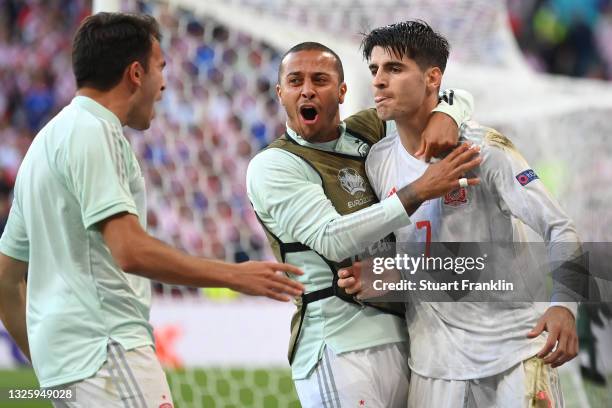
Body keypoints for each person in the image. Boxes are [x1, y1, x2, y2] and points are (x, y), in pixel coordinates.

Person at [0, 12, 304, 408]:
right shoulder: (96, 132)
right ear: (136, 73)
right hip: (108, 350)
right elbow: (130, 250)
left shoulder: (43, 145)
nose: (164, 85)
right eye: (161, 68)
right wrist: (233, 275)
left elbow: (5, 279)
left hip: (71, 367)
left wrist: (48, 362)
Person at [338, 21, 580, 407]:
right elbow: (408, 261)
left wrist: (565, 306)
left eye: (394, 69)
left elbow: (560, 227)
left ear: (433, 78)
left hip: (513, 355)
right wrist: (383, 275)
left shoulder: (483, 150)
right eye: (375, 70)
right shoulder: (377, 162)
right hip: (435, 368)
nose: (379, 81)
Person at [247, 41, 480, 407]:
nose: (306, 89)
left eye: (320, 79)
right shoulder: (274, 165)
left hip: (406, 340)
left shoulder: (368, 131)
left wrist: (446, 115)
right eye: (295, 81)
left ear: (342, 92)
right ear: (280, 93)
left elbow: (453, 94)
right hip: (337, 345)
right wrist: (419, 190)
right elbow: (332, 238)